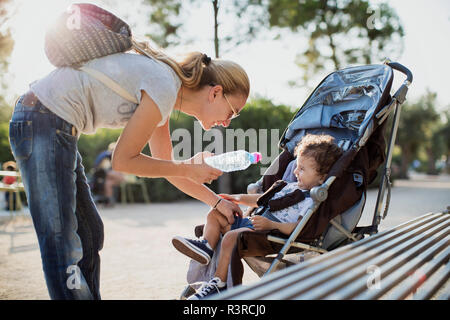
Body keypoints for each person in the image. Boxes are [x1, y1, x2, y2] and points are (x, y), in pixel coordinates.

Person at [9, 36, 249, 299]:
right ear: (215, 92)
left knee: (89, 232)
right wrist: (188, 168)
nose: (227, 122)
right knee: (62, 240)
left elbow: (167, 167)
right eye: (232, 112)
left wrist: (216, 202)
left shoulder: (167, 92)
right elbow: (123, 160)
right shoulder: (164, 86)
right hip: (42, 121)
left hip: (54, 125)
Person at [172, 134, 343, 299]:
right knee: (215, 213)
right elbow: (262, 200)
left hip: (271, 233)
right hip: (255, 222)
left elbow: (299, 227)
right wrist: (237, 198)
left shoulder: (310, 200)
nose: (295, 171)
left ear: (322, 178)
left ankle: (219, 285)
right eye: (296, 165)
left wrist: (271, 225)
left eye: (302, 168)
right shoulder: (289, 186)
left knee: (231, 237)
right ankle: (206, 247)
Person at [92, 142, 126, 206]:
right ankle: (109, 201)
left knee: (108, 182)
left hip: (107, 176)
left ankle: (108, 201)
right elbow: (104, 170)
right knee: (108, 182)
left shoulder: (108, 156)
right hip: (101, 175)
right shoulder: (107, 156)